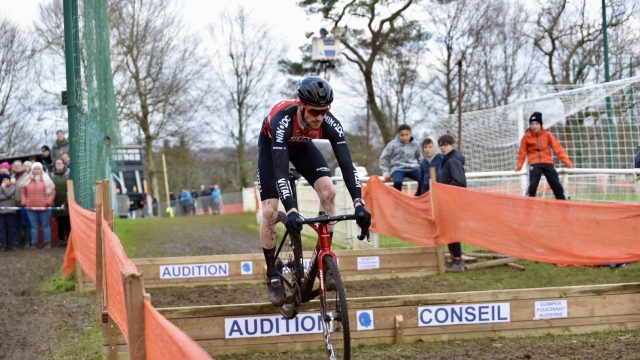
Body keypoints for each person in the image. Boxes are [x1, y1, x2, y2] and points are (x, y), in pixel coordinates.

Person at [257, 75, 371, 305]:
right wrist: (290, 210)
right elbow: (279, 171)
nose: (320, 117)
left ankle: (324, 258)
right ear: (301, 106)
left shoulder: (330, 123)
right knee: (270, 211)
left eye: (324, 111)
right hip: (272, 148)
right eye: (314, 112)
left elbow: (347, 166)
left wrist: (360, 203)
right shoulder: (282, 121)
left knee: (329, 191)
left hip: (301, 147)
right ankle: (272, 274)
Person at [515, 111, 573, 200]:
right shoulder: (526, 137)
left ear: (541, 124)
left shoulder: (547, 135)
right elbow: (521, 153)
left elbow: (558, 149)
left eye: (536, 123)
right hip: (534, 164)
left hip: (548, 163)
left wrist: (567, 162)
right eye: (532, 124)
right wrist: (519, 166)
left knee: (556, 185)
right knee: (532, 186)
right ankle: (528, 206)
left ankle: (563, 205)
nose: (534, 126)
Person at [438, 135, 467, 272]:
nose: (442, 147)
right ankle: (454, 258)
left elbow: (459, 181)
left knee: (452, 230)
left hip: (452, 201)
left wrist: (444, 189)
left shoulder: (453, 160)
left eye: (445, 144)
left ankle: (457, 260)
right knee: (449, 230)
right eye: (441, 145)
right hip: (449, 200)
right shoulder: (447, 159)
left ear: (452, 145)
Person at [20, 162, 55, 249]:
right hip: (30, 208)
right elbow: (23, 192)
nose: (37, 170)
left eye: (38, 168)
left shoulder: (47, 179)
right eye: (35, 169)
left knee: (45, 226)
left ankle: (47, 243)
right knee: (34, 227)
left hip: (44, 207)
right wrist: (24, 201)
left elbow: (52, 192)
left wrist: (48, 202)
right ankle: (34, 243)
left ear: (41, 169)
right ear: (32, 170)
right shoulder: (27, 180)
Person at [379, 124, 422, 193]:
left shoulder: (415, 144)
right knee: (398, 182)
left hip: (413, 168)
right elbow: (384, 158)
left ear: (410, 134)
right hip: (398, 169)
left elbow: (420, 157)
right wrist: (385, 172)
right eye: (402, 135)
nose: (405, 137)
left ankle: (418, 197)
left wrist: (423, 169)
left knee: (423, 179)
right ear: (398, 135)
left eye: (407, 134)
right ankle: (397, 199)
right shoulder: (392, 145)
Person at [51, 159, 70, 247]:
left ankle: (69, 241)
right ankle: (61, 240)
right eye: (57, 163)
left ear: (64, 164)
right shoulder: (52, 176)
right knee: (59, 223)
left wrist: (66, 201)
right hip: (56, 202)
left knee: (67, 222)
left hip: (67, 202)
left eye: (60, 163)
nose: (58, 165)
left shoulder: (68, 175)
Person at [0, 173, 18, 251]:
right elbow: (8, 195)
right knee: (2, 229)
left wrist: (3, 189)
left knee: (12, 229)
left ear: (10, 180)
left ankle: (13, 244)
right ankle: (3, 245)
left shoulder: (13, 187)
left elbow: (9, 193)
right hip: (1, 212)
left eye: (7, 179)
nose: (5, 181)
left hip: (11, 211)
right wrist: (8, 196)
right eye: (3, 180)